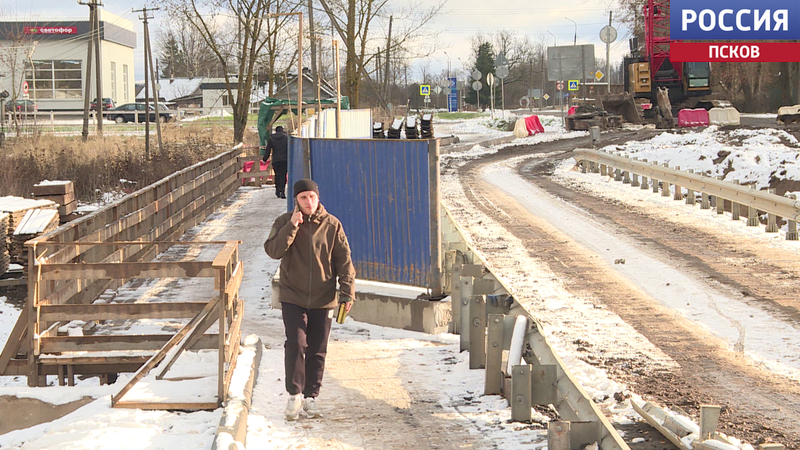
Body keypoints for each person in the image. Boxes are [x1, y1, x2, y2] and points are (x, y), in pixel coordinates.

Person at [264, 178, 356, 420]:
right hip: (292, 295)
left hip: (323, 298)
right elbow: (273, 251)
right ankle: (294, 394)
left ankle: (311, 397)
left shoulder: (332, 224)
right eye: (303, 197)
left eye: (311, 197)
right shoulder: (284, 222)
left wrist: (347, 292)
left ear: (318, 198)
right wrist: (292, 226)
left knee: (317, 349)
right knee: (296, 343)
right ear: (296, 200)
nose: (308, 202)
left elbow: (344, 261)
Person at [262, 125, 289, 198]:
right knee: (283, 175)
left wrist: (265, 159)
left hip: (276, 160)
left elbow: (268, 150)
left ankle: (277, 191)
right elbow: (289, 149)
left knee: (277, 175)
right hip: (285, 159)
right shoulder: (286, 137)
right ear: (282, 130)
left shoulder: (271, 138)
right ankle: (282, 191)